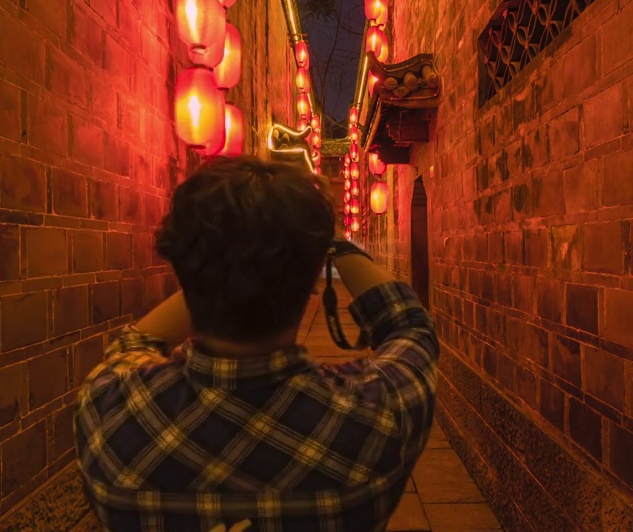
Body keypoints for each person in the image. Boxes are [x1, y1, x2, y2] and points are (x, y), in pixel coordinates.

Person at [75, 156, 439, 532]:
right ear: (313, 277)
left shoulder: (107, 413)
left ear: (181, 268)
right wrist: (330, 245)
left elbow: (135, 341)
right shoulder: (378, 418)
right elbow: (408, 326)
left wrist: (218, 264)